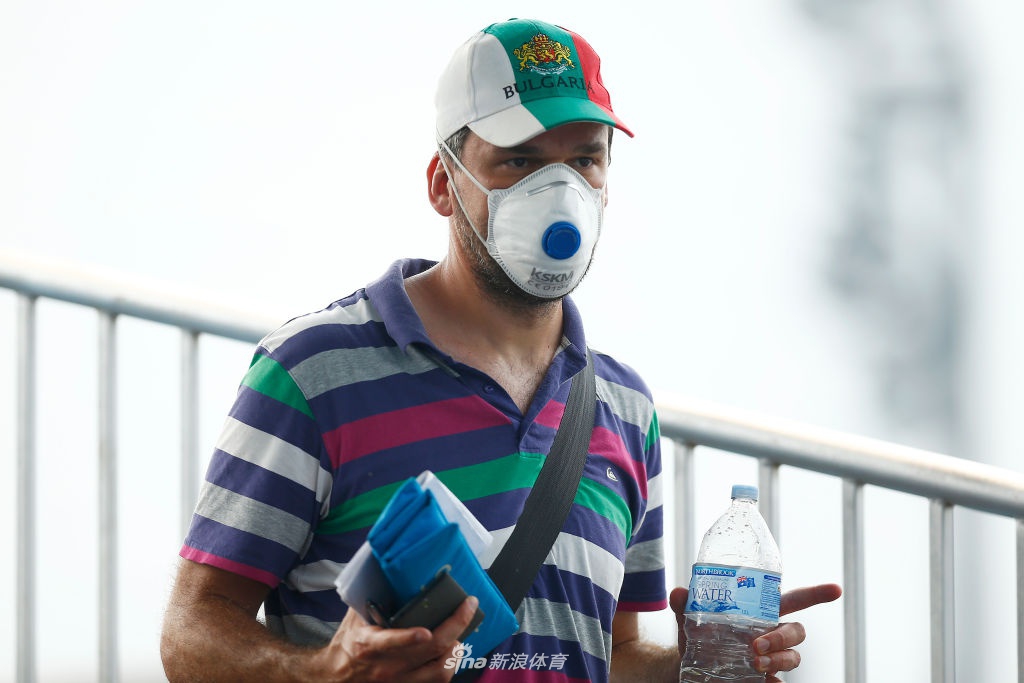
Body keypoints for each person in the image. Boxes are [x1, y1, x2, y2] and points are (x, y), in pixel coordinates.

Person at [160, 17, 842, 682]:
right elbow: (192, 633)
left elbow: (610, 653)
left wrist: (693, 664)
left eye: (584, 160)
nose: (559, 193)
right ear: (443, 182)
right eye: (520, 160)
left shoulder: (626, 408)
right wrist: (325, 672)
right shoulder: (313, 372)